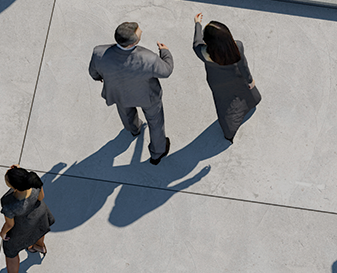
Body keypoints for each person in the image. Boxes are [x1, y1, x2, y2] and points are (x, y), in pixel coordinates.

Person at [89, 21, 174, 165]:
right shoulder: (149, 58)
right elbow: (166, 71)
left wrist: (100, 78)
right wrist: (165, 52)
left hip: (119, 94)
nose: (141, 33)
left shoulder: (99, 52)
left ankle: (134, 129)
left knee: (126, 114)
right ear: (131, 44)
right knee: (155, 123)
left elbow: (93, 73)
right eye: (139, 35)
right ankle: (157, 152)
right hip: (147, 97)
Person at [193, 12, 259, 142]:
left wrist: (197, 24)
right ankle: (252, 102)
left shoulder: (203, 53)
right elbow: (243, 66)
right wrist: (250, 81)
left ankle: (229, 130)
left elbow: (196, 41)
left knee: (224, 105)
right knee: (244, 92)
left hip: (217, 82)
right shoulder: (237, 46)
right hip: (236, 77)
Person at [0, 166, 54, 273]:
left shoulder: (8, 203)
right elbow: (41, 197)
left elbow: (10, 224)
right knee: (39, 231)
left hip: (22, 227)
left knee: (11, 253)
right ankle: (39, 246)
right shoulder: (34, 181)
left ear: (14, 187)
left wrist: (2, 233)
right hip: (40, 215)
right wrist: (19, 173)